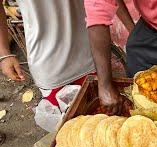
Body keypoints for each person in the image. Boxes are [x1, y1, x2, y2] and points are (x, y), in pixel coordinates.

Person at [0, 1, 96, 131]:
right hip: (49, 65)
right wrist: (4, 53)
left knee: (103, 120)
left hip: (91, 52)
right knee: (70, 131)